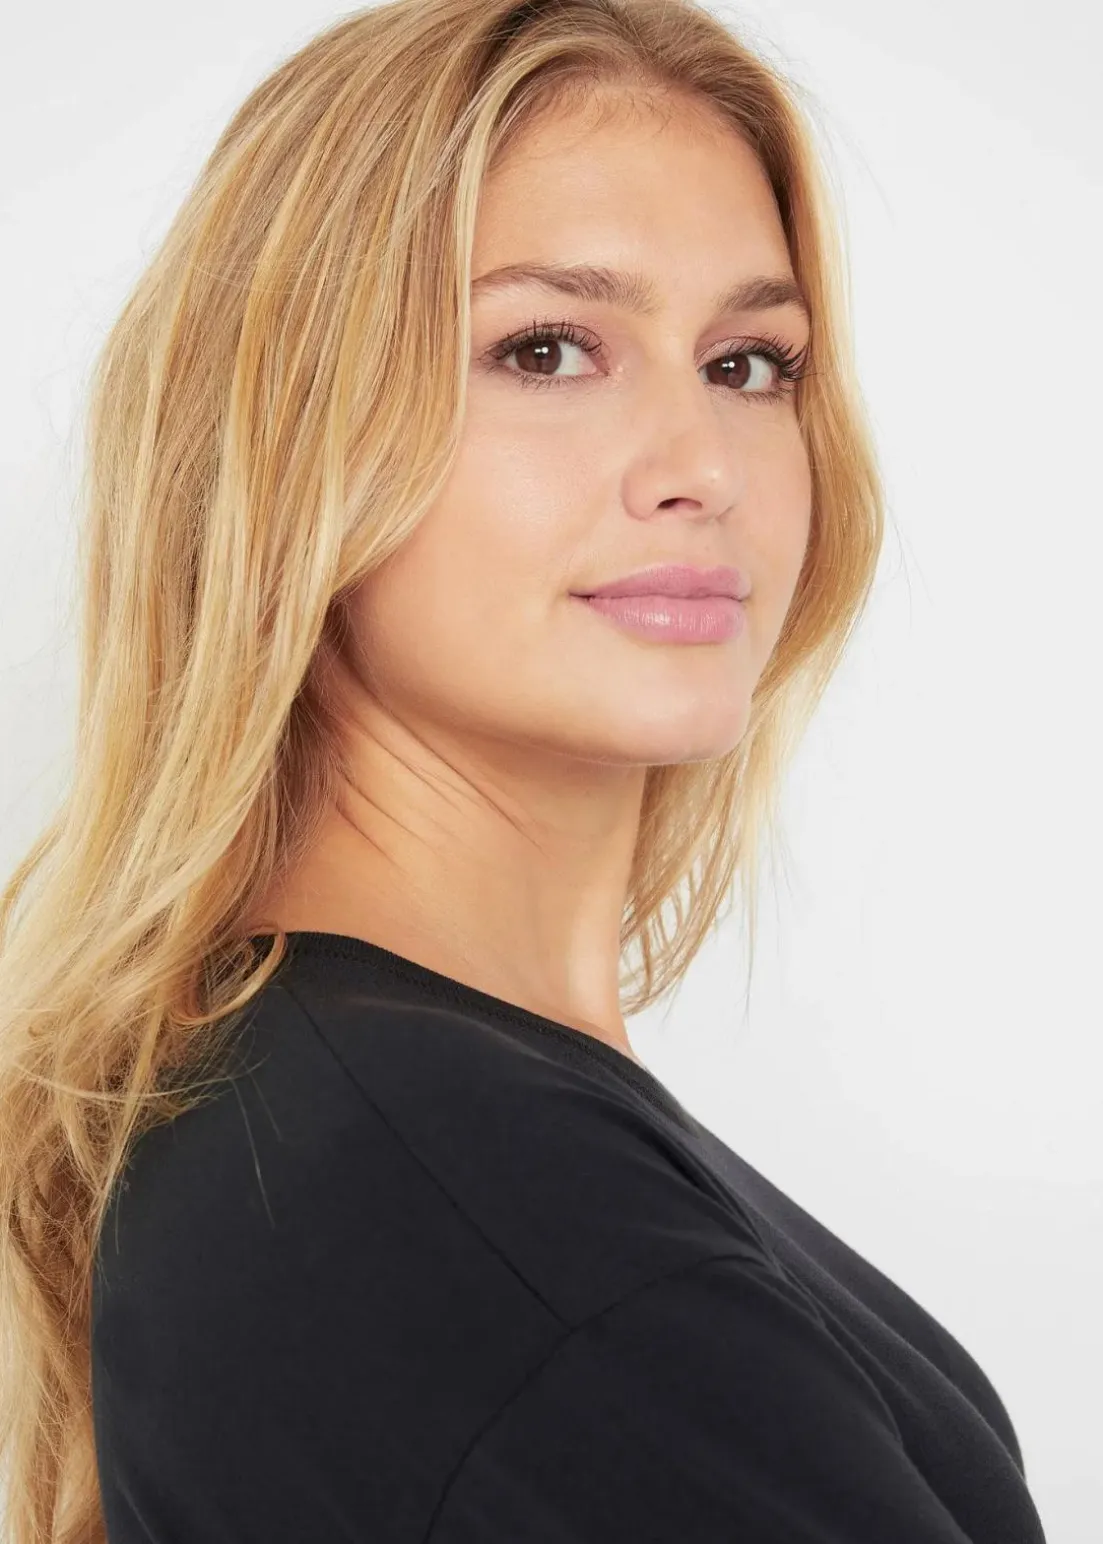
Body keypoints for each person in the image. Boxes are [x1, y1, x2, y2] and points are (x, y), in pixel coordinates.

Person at [0, 2, 1048, 1541]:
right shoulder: (470, 1198)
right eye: (546, 350)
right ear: (286, 436)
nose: (700, 463)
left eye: (748, 363)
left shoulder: (340, 1116)